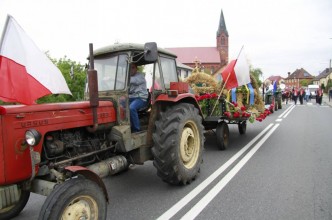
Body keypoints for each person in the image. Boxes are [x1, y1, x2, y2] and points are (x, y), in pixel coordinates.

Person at [129, 64, 148, 132]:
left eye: (133, 68)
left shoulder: (140, 76)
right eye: (129, 68)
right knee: (119, 104)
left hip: (141, 99)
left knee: (131, 108)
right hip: (131, 97)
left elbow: (132, 81)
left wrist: (114, 78)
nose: (131, 70)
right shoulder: (129, 77)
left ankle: (136, 129)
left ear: (136, 69)